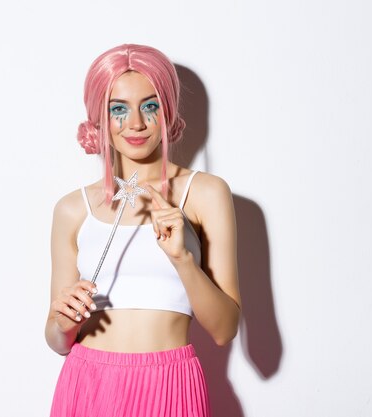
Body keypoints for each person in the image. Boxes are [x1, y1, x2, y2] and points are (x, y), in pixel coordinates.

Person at [45, 44, 241, 417]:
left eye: (150, 106)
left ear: (168, 111)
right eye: (118, 109)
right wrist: (62, 323)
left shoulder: (204, 193)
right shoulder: (73, 209)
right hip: (88, 383)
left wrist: (183, 259)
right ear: (98, 119)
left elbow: (224, 330)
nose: (135, 123)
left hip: (170, 383)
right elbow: (57, 341)